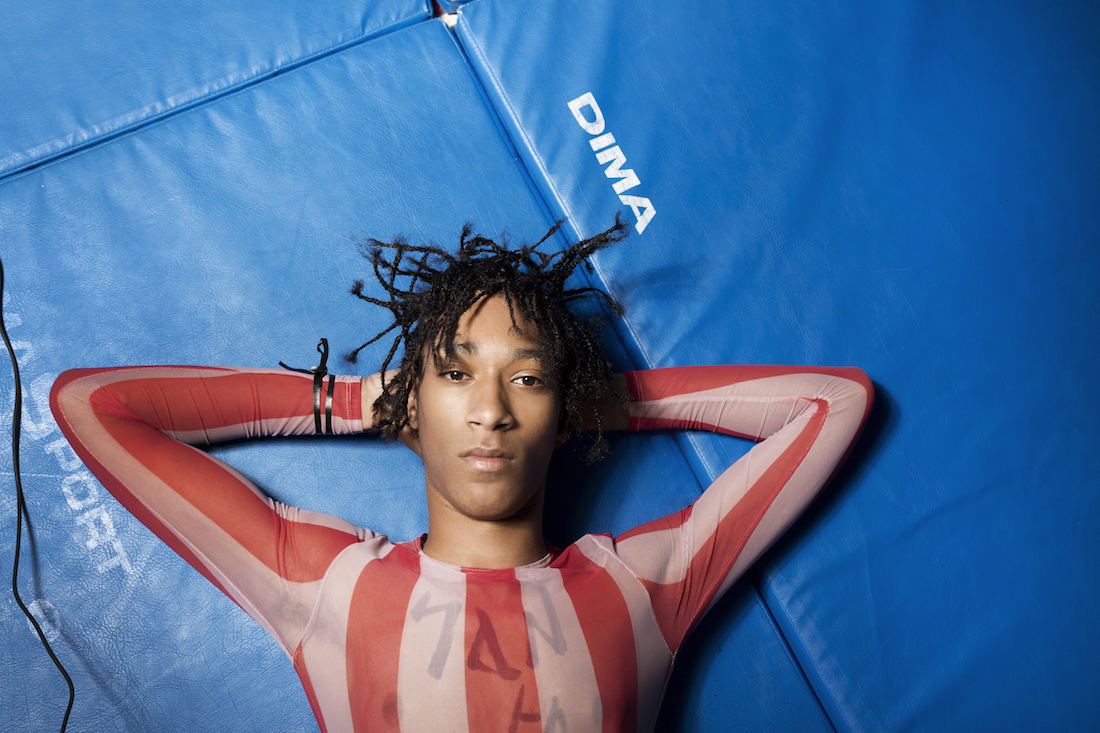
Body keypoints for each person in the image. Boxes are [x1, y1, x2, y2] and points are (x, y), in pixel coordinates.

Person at [50, 219, 873, 733]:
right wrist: (362, 400)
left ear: (561, 412)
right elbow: (94, 406)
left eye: (528, 377)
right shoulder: (323, 586)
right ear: (414, 403)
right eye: (454, 373)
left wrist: (594, 399)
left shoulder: (644, 586)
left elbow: (834, 403)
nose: (490, 409)